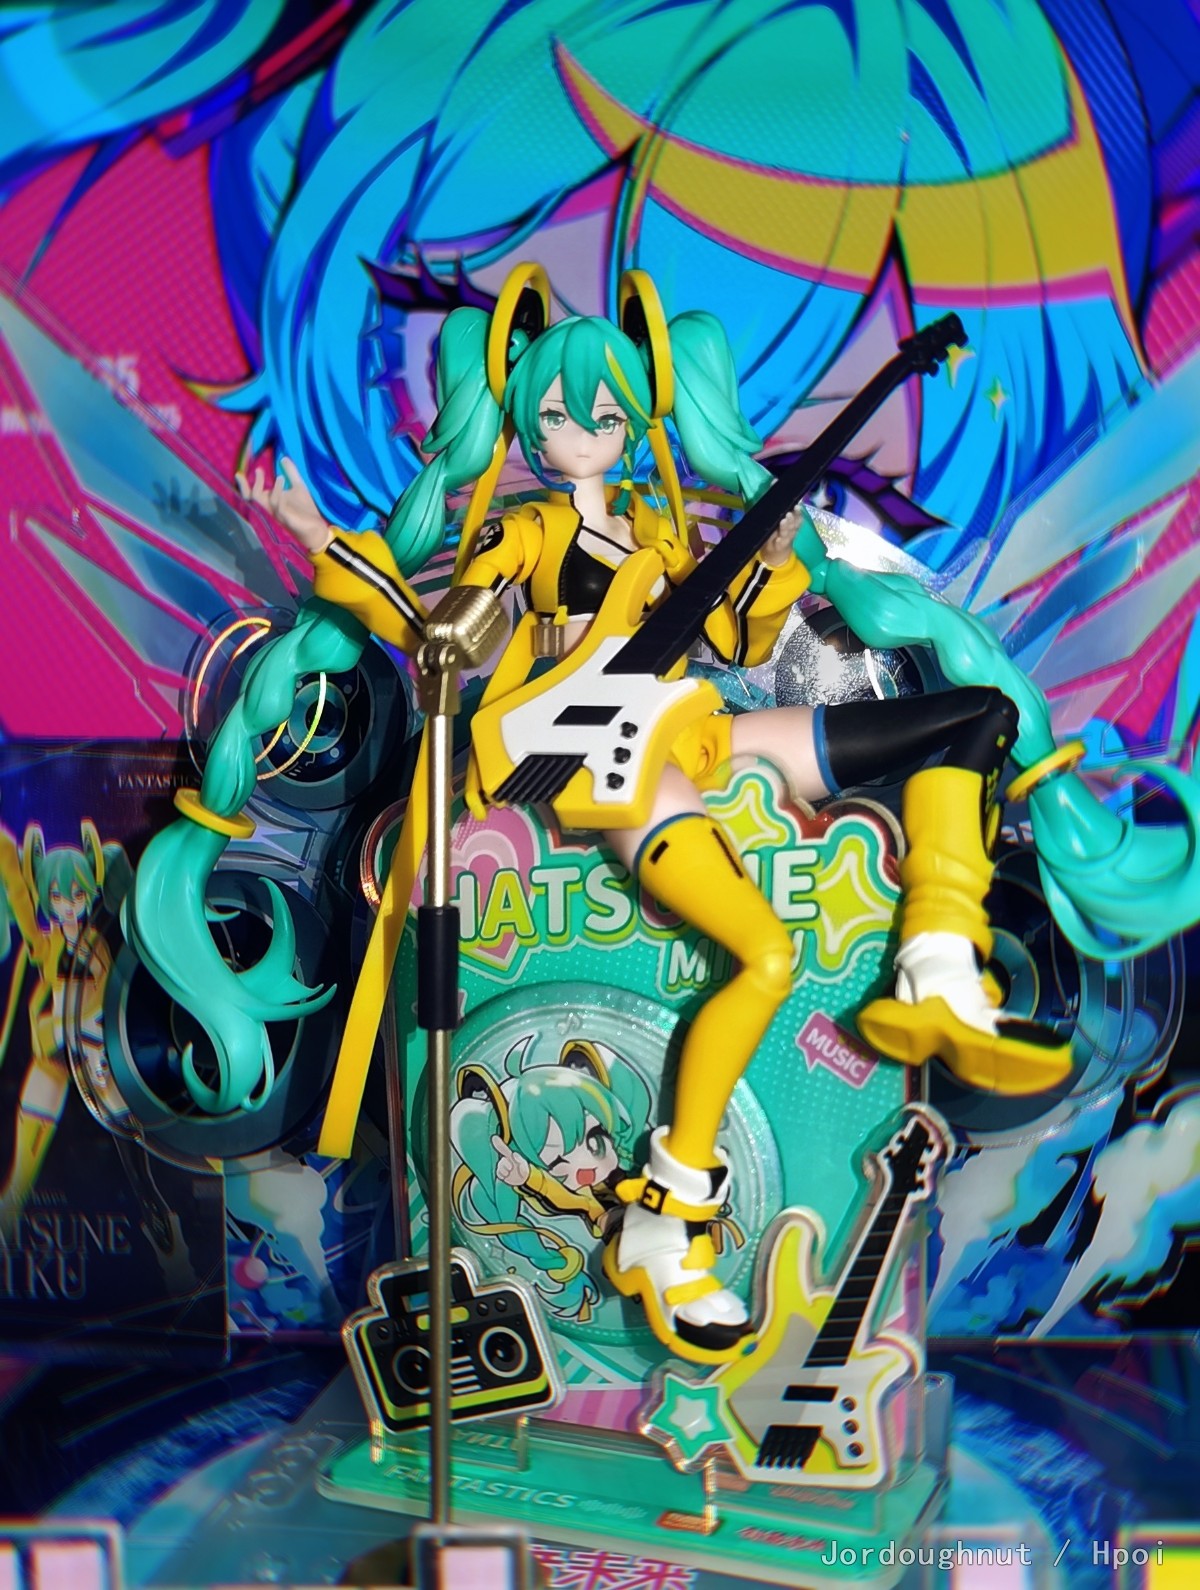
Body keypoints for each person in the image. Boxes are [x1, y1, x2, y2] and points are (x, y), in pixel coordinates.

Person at [194, 270, 1200, 1361]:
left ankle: (938, 968)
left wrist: (770, 565)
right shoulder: (526, 536)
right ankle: (666, 1223)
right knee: (764, 957)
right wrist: (329, 547)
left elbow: (732, 638)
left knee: (971, 723)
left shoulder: (661, 533)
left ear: (640, 421)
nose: (582, 432)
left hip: (692, 731)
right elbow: (452, 630)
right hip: (602, 760)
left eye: (607, 414)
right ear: (526, 418)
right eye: (558, 413)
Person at [450, 1038, 653, 1323]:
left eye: (595, 1141)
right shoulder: (584, 1201)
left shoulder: (630, 1170)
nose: (584, 1170)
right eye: (558, 1164)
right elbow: (561, 1195)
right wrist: (528, 1177)